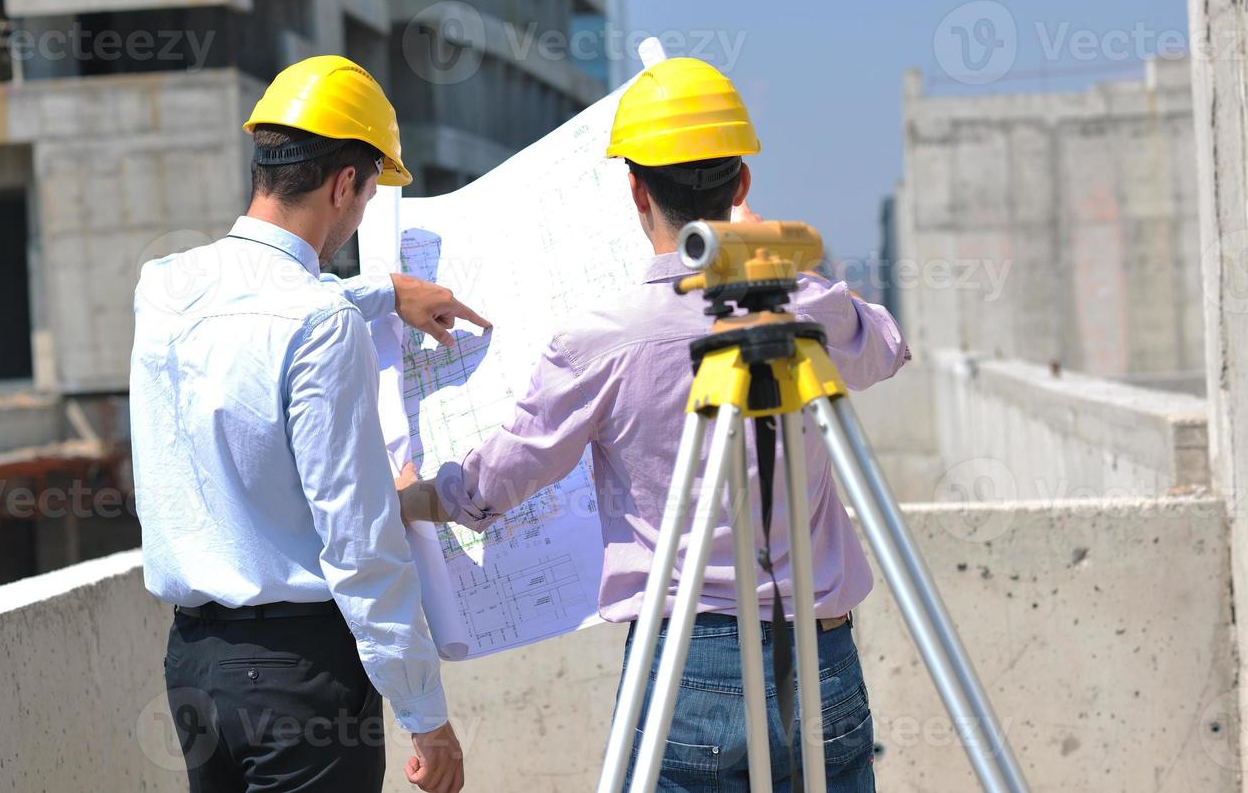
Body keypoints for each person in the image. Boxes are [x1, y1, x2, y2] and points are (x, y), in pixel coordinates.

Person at [399, 57, 908, 792]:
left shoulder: (603, 337)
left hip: (683, 668)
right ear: (741, 184)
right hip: (818, 657)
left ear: (635, 189)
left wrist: (425, 496)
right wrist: (800, 277)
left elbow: (505, 472)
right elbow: (887, 346)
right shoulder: (800, 306)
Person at [132, 56, 487, 793]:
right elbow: (360, 544)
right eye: (364, 200)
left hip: (194, 666)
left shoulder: (163, 286)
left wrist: (384, 293)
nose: (357, 219)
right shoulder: (319, 323)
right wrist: (424, 712)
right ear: (343, 184)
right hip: (299, 680)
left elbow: (253, 319)